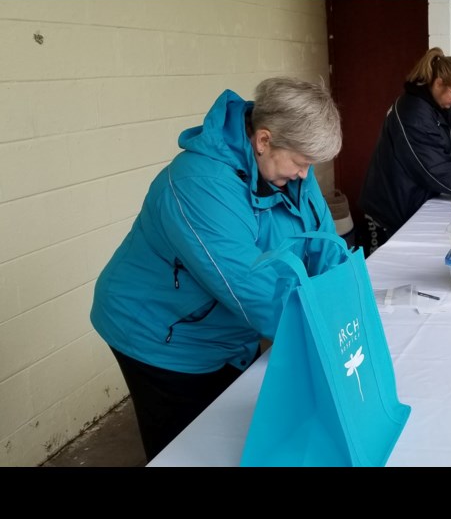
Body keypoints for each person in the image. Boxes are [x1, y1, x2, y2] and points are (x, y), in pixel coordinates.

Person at [90, 77, 344, 459]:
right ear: (263, 140)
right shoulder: (198, 183)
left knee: (228, 431)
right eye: (301, 162)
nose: (306, 175)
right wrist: (327, 341)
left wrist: (342, 304)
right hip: (159, 331)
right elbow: (249, 285)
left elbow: (323, 241)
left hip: (225, 328)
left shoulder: (286, 166)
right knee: (184, 445)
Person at [358, 47, 451, 256]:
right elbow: (433, 168)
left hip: (413, 202)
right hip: (387, 210)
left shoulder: (444, 110)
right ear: (438, 83)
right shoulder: (413, 112)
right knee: (382, 273)